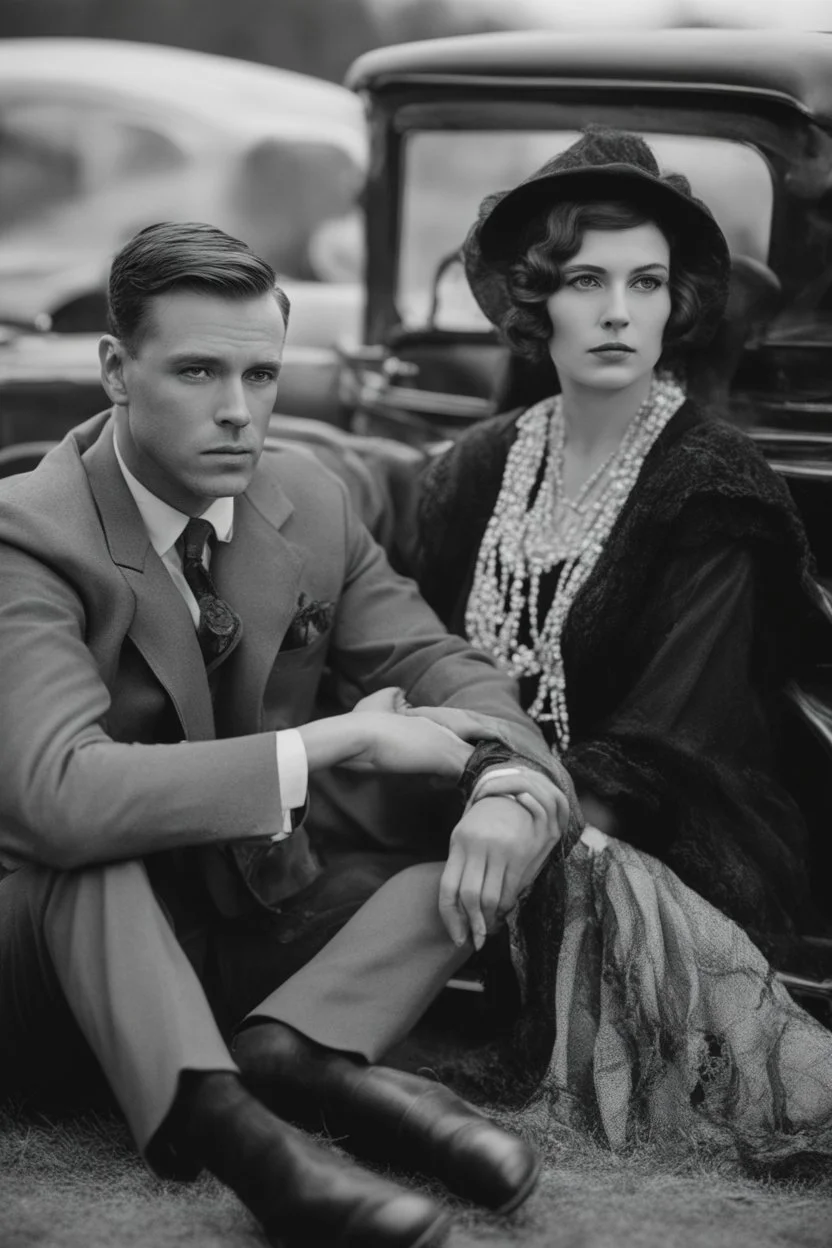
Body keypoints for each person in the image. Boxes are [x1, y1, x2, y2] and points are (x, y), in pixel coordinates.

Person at [0, 222, 580, 1248]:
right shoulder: (27, 534)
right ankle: (249, 1148)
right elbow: (58, 797)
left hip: (241, 932)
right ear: (114, 371)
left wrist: (504, 786)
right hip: (52, 977)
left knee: (480, 816)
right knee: (82, 853)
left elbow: (448, 676)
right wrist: (329, 746)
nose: (237, 411)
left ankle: (305, 1054)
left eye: (260, 373)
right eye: (195, 371)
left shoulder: (304, 497)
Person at [411, 127, 832, 1167]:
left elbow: (665, 750)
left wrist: (522, 808)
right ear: (533, 297)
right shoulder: (470, 472)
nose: (615, 311)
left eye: (645, 283)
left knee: (587, 860)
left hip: (656, 840)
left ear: (674, 303)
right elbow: (409, 658)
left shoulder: (712, 488)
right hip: (473, 818)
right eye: (585, 280)